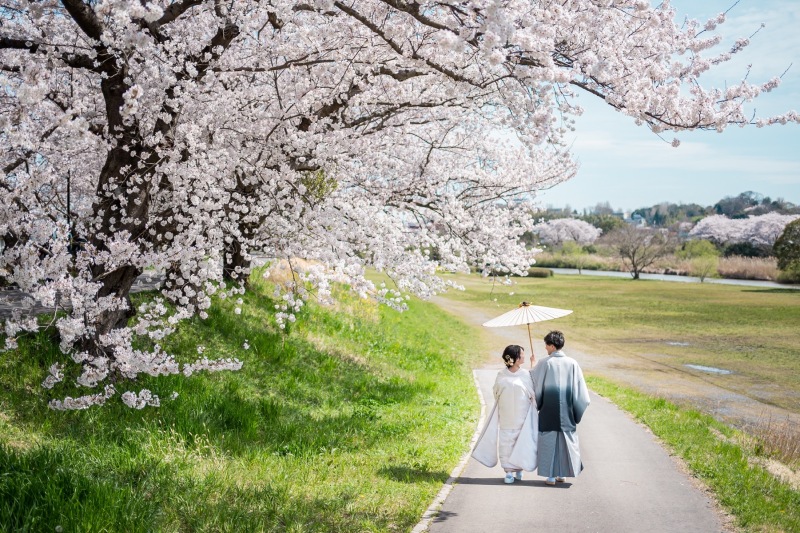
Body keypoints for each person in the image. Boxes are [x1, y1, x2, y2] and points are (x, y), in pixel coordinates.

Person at [472, 345, 538, 484]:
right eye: (522, 354)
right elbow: (496, 392)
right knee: (506, 441)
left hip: (522, 415)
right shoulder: (501, 375)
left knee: (522, 440)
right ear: (515, 358)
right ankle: (508, 472)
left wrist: (533, 366)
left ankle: (519, 469)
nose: (524, 356)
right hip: (506, 414)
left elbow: (533, 391)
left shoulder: (526, 374)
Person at [531, 330, 590, 485]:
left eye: (546, 345)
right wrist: (575, 411)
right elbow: (581, 393)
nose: (545, 348)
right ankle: (562, 474)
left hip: (548, 410)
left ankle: (550, 476)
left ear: (551, 345)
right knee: (565, 442)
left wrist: (532, 365)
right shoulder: (572, 363)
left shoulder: (544, 363)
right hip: (567, 411)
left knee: (549, 441)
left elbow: (534, 382)